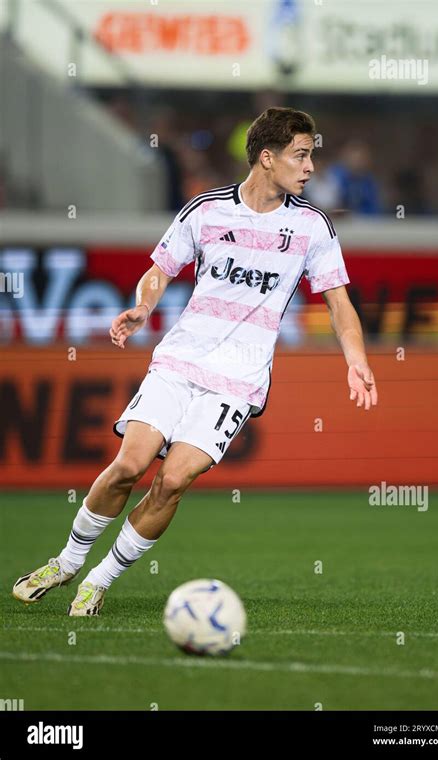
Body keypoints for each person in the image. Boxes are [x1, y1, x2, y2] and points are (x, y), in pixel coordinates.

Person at [13, 107, 378, 616]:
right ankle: (67, 561)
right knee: (129, 466)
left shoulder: (312, 227)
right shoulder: (206, 210)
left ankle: (98, 579)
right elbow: (160, 269)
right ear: (267, 158)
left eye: (312, 155)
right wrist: (144, 304)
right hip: (180, 361)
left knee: (173, 480)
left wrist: (355, 359)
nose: (311, 166)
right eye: (301, 155)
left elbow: (340, 304)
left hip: (237, 381)